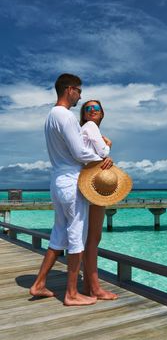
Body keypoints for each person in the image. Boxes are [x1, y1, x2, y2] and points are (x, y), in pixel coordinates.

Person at [30, 73, 113, 306]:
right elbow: (79, 153)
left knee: (59, 234)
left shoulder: (50, 116)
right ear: (69, 90)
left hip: (57, 180)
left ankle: (38, 284)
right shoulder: (65, 116)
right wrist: (104, 154)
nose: (80, 95)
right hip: (70, 182)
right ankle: (72, 294)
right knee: (77, 235)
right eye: (78, 91)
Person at [79, 100, 118, 300]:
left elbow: (94, 157)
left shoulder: (85, 129)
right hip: (93, 186)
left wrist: (104, 158)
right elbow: (102, 152)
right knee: (94, 239)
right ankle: (95, 288)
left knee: (88, 239)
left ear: (102, 113)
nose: (92, 111)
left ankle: (88, 285)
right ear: (84, 114)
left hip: (87, 182)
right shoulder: (91, 126)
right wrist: (108, 147)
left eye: (96, 108)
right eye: (88, 109)